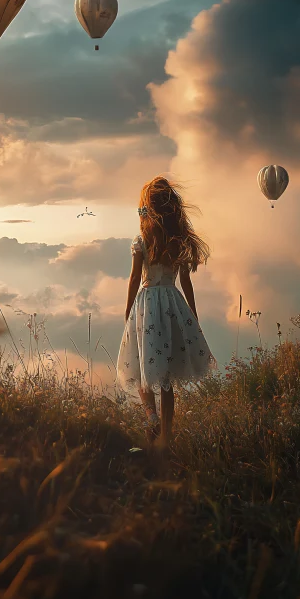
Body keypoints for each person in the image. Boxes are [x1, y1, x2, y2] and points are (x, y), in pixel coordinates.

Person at [116, 176, 216, 448]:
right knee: (167, 375)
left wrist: (128, 310)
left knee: (143, 361)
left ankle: (151, 416)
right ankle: (166, 436)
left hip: (147, 305)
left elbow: (134, 278)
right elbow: (186, 282)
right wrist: (192, 314)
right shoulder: (177, 241)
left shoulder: (142, 241)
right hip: (172, 303)